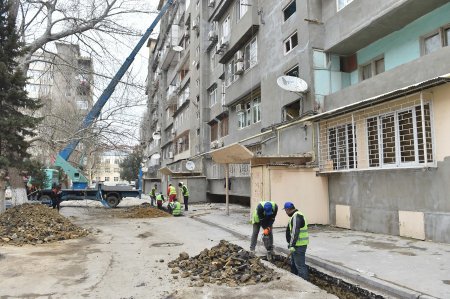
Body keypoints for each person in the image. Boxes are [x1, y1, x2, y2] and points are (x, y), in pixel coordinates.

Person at [284, 201, 309, 280]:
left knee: (300, 266)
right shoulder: (296, 216)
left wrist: (292, 245)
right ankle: (295, 280)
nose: (285, 212)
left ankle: (305, 284)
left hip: (299, 245)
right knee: (294, 264)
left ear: (288, 210)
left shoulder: (296, 216)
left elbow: (295, 232)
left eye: (285, 210)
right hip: (296, 245)